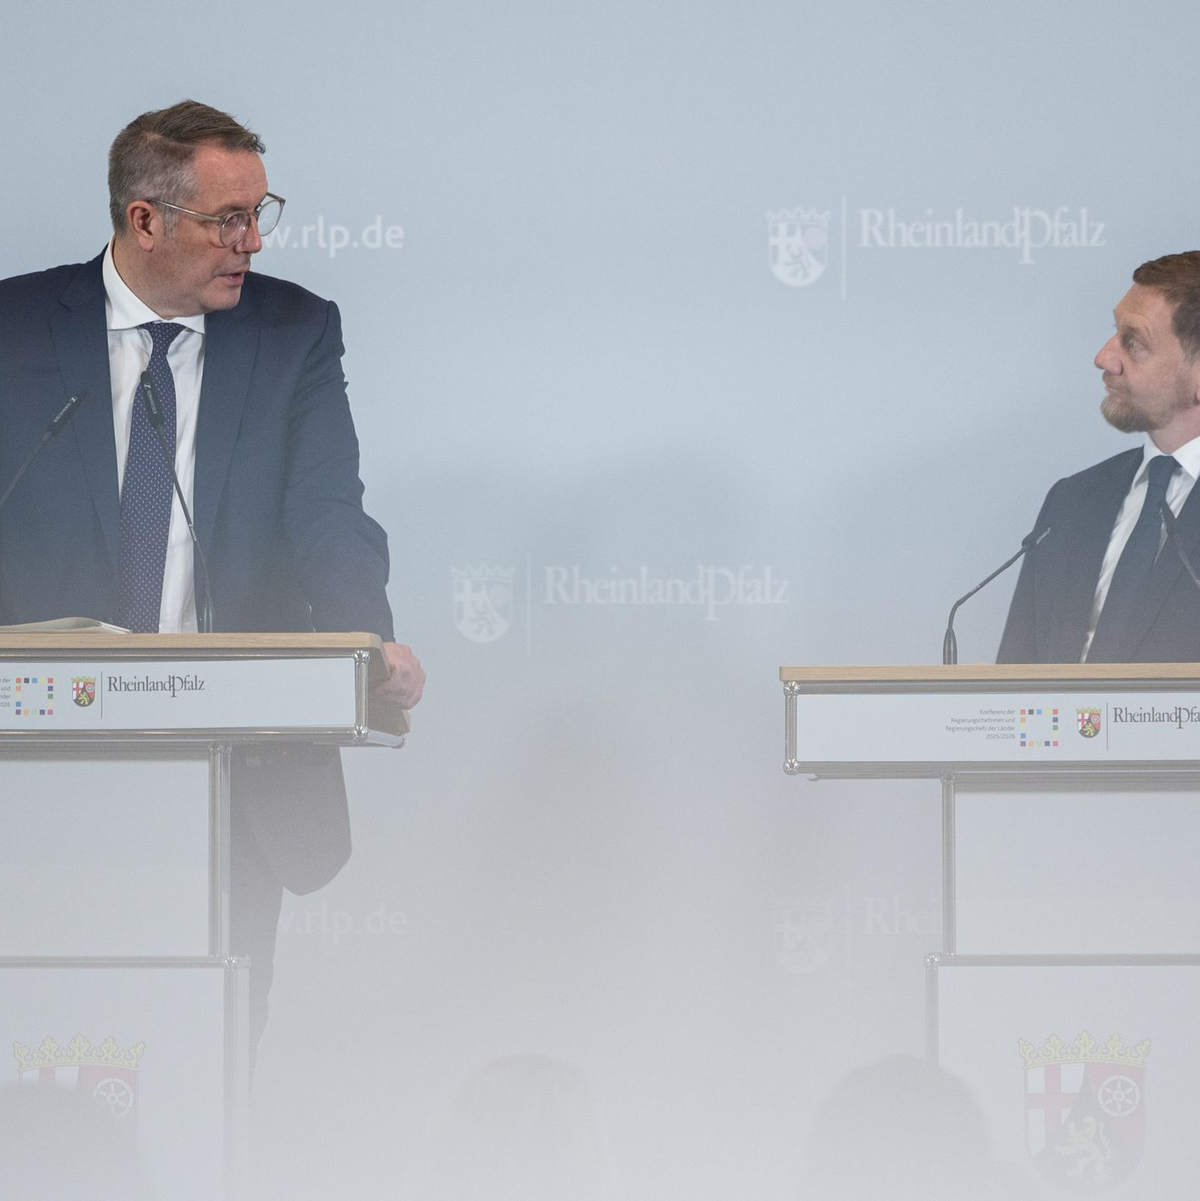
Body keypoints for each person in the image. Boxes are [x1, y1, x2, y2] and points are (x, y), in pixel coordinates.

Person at [0, 100, 425, 1054]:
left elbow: (328, 512)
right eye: (227, 220)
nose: (252, 242)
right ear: (144, 220)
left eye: (260, 212)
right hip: (34, 773)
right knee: (40, 1042)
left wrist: (365, 638)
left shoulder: (294, 331)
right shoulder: (13, 328)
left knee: (214, 1044)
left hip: (232, 770)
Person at [998, 251, 1200, 664]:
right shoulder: (1071, 501)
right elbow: (1017, 677)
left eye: (1133, 342)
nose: (1104, 358)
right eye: (1114, 332)